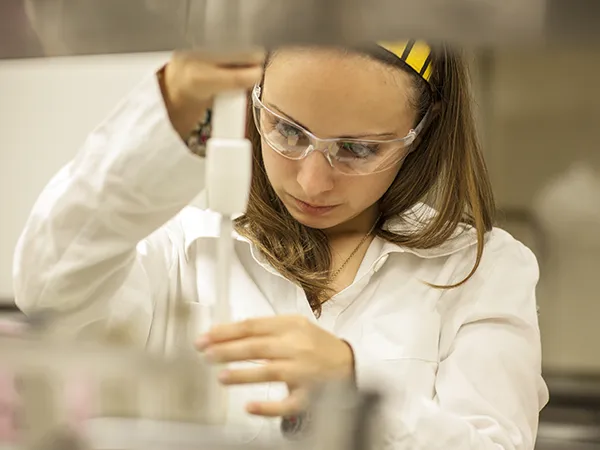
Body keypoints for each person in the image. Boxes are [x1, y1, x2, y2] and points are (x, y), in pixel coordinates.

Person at [13, 41, 549, 449]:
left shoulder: (482, 270)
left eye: (359, 149)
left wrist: (356, 391)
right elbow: (48, 287)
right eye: (289, 131)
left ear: (422, 134)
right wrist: (168, 107)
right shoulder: (187, 248)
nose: (312, 182)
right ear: (256, 103)